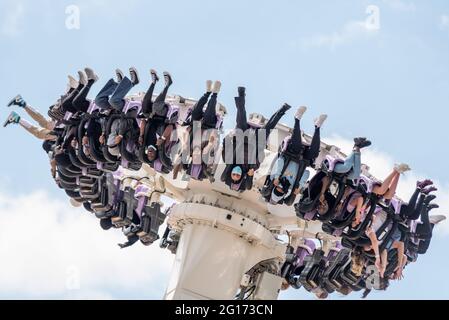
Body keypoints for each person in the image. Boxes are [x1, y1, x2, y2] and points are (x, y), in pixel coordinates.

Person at [221, 87, 291, 192]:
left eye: (234, 174)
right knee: (269, 127)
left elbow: (225, 144)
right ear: (241, 176)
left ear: (230, 173)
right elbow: (261, 155)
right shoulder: (253, 167)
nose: (236, 172)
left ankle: (241, 95)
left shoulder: (228, 160)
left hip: (242, 137)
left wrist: (230, 136)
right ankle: (282, 109)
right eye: (238, 175)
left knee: (241, 117)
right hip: (256, 142)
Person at [267, 106, 327, 205]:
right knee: (314, 153)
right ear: (285, 193)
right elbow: (306, 173)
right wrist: (299, 186)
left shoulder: (274, 176)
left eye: (277, 189)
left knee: (297, 146)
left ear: (275, 187)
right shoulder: (293, 185)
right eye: (282, 192)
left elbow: (280, 161)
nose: (281, 188)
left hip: (290, 153)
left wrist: (277, 177)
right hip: (303, 159)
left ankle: (297, 119)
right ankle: (317, 127)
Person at [140, 70, 176, 166]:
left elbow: (143, 121)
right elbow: (171, 127)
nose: (150, 154)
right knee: (156, 106)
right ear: (156, 154)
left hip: (151, 116)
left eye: (148, 155)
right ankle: (168, 84)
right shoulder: (164, 145)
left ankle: (154, 82)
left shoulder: (144, 143)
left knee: (144, 106)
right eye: (152, 156)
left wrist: (141, 135)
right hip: (163, 116)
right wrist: (163, 138)